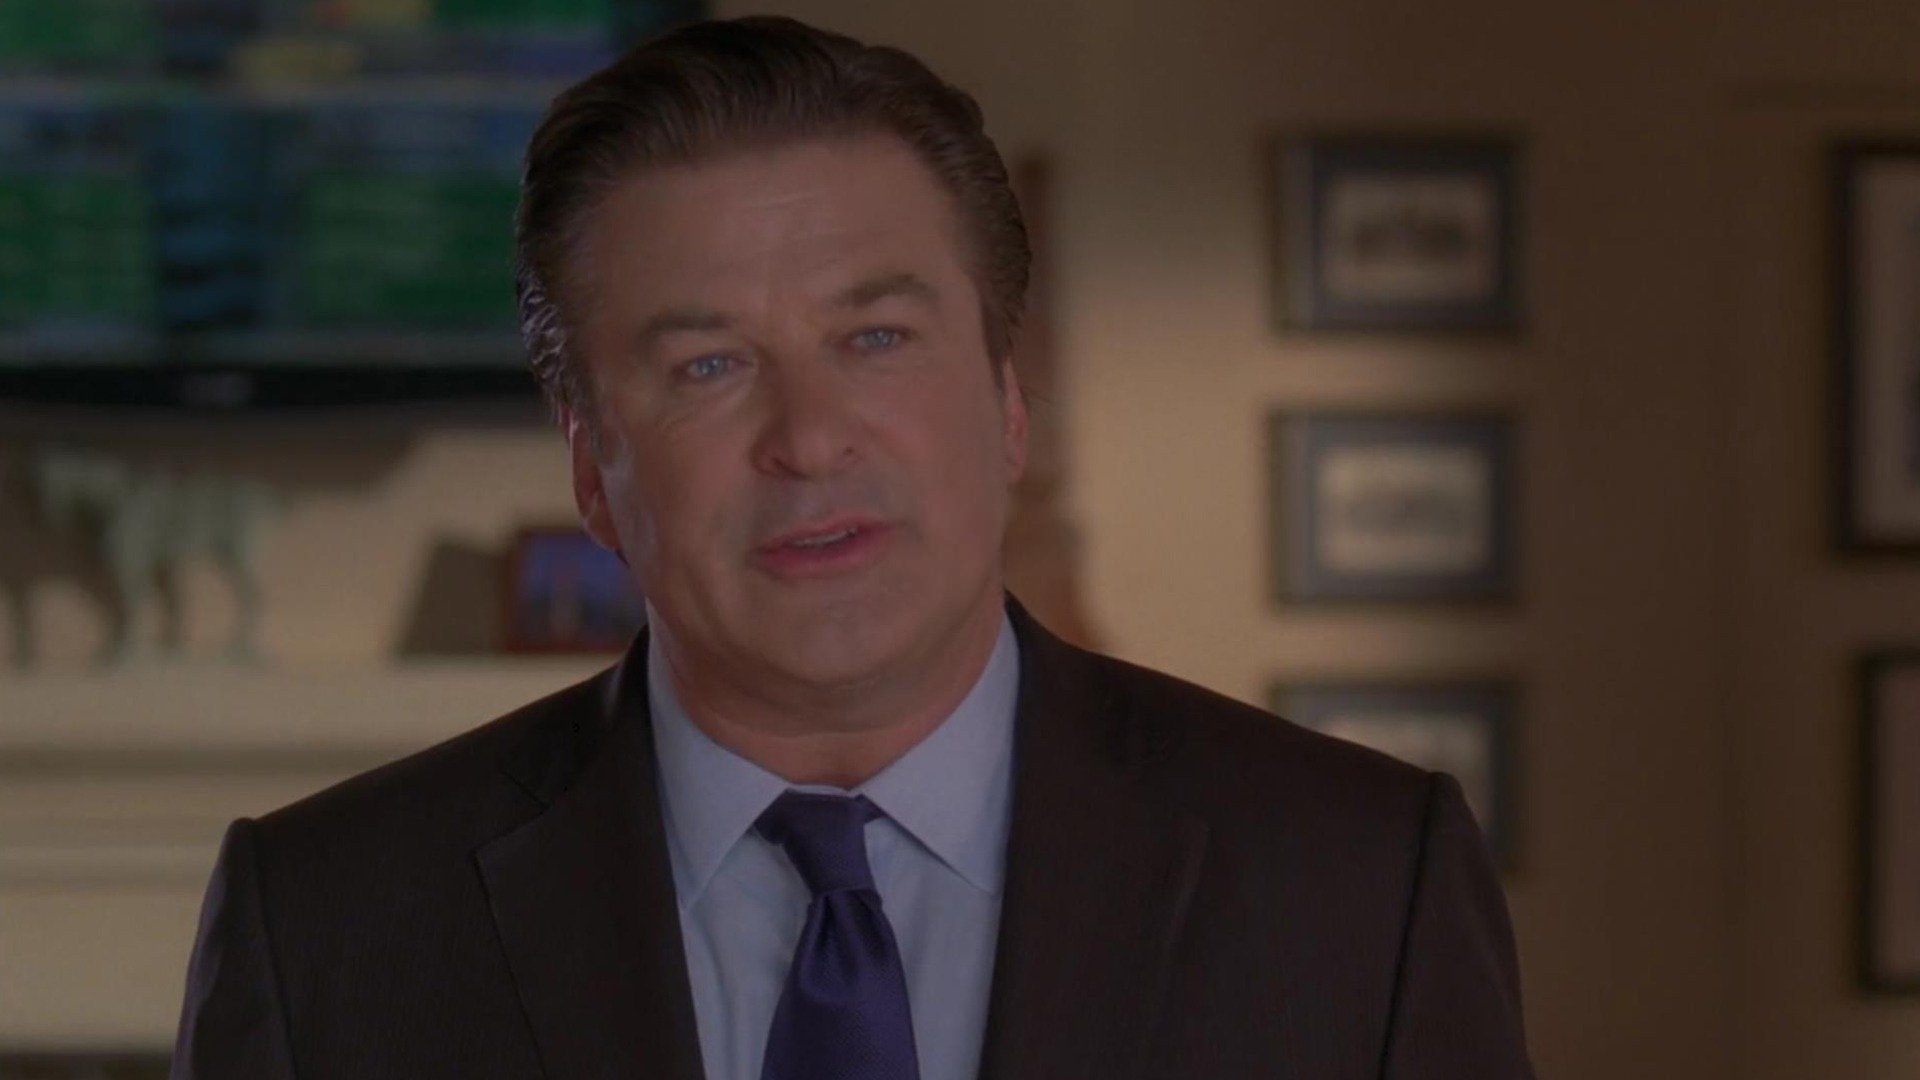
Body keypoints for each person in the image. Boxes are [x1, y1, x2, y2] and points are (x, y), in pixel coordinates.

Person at [170, 15, 1534, 1079]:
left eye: (876, 338)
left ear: (1008, 404)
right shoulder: (330, 926)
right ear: (593, 468)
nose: (810, 438)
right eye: (708, 366)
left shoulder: (1359, 882)